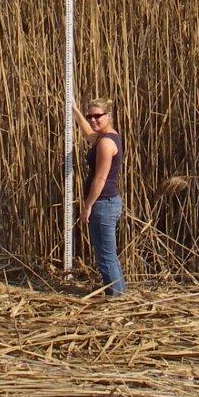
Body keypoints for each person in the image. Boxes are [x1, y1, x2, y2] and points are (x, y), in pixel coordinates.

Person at [73, 97, 125, 296]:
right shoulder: (105, 137)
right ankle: (119, 293)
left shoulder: (105, 143)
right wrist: (76, 111)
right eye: (90, 116)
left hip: (104, 203)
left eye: (98, 116)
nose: (93, 120)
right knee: (107, 255)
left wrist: (88, 206)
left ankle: (116, 297)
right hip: (106, 202)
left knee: (105, 257)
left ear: (109, 116)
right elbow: (87, 133)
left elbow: (100, 178)